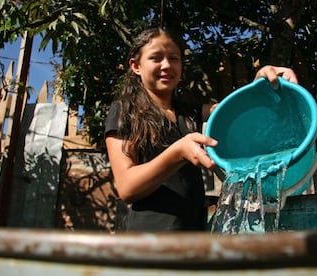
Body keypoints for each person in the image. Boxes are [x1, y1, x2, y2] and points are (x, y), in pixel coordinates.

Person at [104, 27, 298, 231]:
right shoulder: (125, 112)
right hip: (149, 239)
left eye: (174, 58)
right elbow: (126, 187)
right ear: (136, 66)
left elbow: (235, 111)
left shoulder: (189, 113)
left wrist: (260, 83)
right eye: (156, 58)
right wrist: (178, 152)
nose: (167, 65)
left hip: (193, 235)